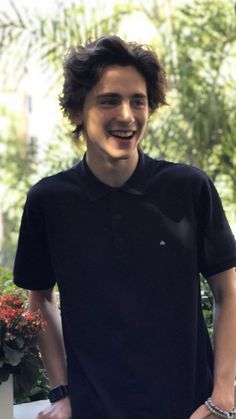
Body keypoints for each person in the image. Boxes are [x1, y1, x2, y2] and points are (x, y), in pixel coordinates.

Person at [13, 35, 236, 419]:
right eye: (109, 100)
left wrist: (222, 395)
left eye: (138, 100)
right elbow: (41, 299)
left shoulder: (188, 188)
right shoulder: (49, 201)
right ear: (77, 111)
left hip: (190, 409)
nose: (127, 115)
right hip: (94, 410)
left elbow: (227, 292)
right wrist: (62, 392)